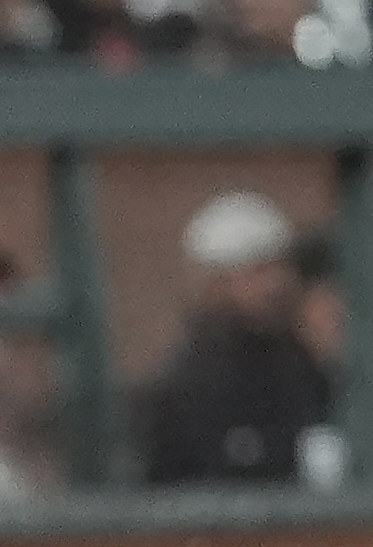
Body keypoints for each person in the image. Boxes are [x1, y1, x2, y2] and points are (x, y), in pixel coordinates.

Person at [136, 192, 331, 485]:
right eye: (258, 270)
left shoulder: (298, 363)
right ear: (215, 282)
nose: (276, 285)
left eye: (280, 267)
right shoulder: (185, 387)